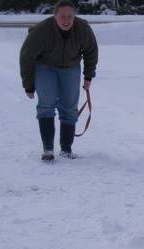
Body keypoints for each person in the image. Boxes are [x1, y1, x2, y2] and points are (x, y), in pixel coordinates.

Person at [20, 0, 98, 162]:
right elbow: (27, 58)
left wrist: (88, 76)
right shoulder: (42, 30)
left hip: (71, 67)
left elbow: (91, 52)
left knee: (69, 107)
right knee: (46, 104)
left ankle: (66, 149)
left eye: (70, 16)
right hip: (45, 66)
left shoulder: (82, 28)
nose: (66, 20)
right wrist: (29, 85)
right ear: (55, 15)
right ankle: (48, 149)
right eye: (62, 16)